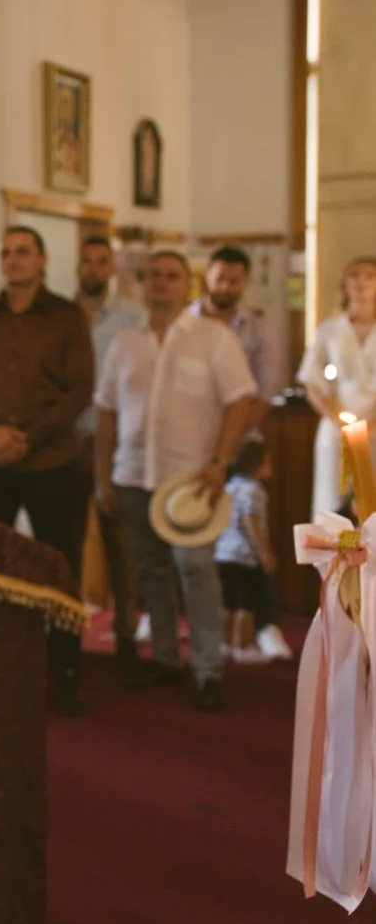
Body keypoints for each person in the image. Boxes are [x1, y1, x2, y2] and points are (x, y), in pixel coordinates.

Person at [94, 251, 256, 712]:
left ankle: (207, 669)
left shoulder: (214, 338)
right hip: (131, 476)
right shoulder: (126, 343)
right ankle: (166, 657)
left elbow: (240, 402)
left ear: (189, 285)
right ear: (143, 287)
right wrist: (102, 476)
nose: (161, 284)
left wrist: (221, 461)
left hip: (190, 481)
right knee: (152, 572)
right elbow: (105, 413)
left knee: (196, 570)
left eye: (171, 276)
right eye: (154, 277)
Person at [0, 225, 93, 712]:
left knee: (61, 566)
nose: (13, 260)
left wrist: (28, 438)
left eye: (23, 252)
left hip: (53, 460)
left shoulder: (67, 317)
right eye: (6, 252)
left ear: (42, 261)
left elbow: (79, 390)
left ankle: (66, 676)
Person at [192, 245, 292, 661]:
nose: (226, 286)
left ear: (244, 283)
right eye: (220, 278)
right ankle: (199, 625)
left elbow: (264, 394)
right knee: (196, 538)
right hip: (194, 445)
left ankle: (265, 625)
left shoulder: (259, 329)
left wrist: (227, 442)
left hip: (243, 444)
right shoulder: (187, 323)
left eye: (234, 280)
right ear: (207, 278)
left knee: (248, 544)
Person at [76, 235, 150, 683]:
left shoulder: (132, 318)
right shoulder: (62, 313)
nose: (94, 269)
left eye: (102, 262)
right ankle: (66, 634)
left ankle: (125, 634)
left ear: (112, 269)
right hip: (68, 439)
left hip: (117, 442)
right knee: (65, 542)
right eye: (87, 261)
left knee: (122, 545)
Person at [299, 256, 376, 516]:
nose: (361, 282)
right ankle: (333, 555)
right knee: (333, 495)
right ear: (345, 283)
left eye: (369, 276)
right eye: (355, 275)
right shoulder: (329, 329)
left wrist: (370, 425)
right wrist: (340, 420)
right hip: (338, 421)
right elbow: (312, 380)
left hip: (374, 420)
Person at [214, 441, 275, 664]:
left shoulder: (229, 487)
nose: (271, 467)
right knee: (246, 604)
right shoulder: (254, 490)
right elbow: (251, 520)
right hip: (244, 556)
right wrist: (265, 552)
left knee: (227, 603)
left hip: (223, 553)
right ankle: (244, 646)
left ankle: (225, 643)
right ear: (256, 466)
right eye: (268, 463)